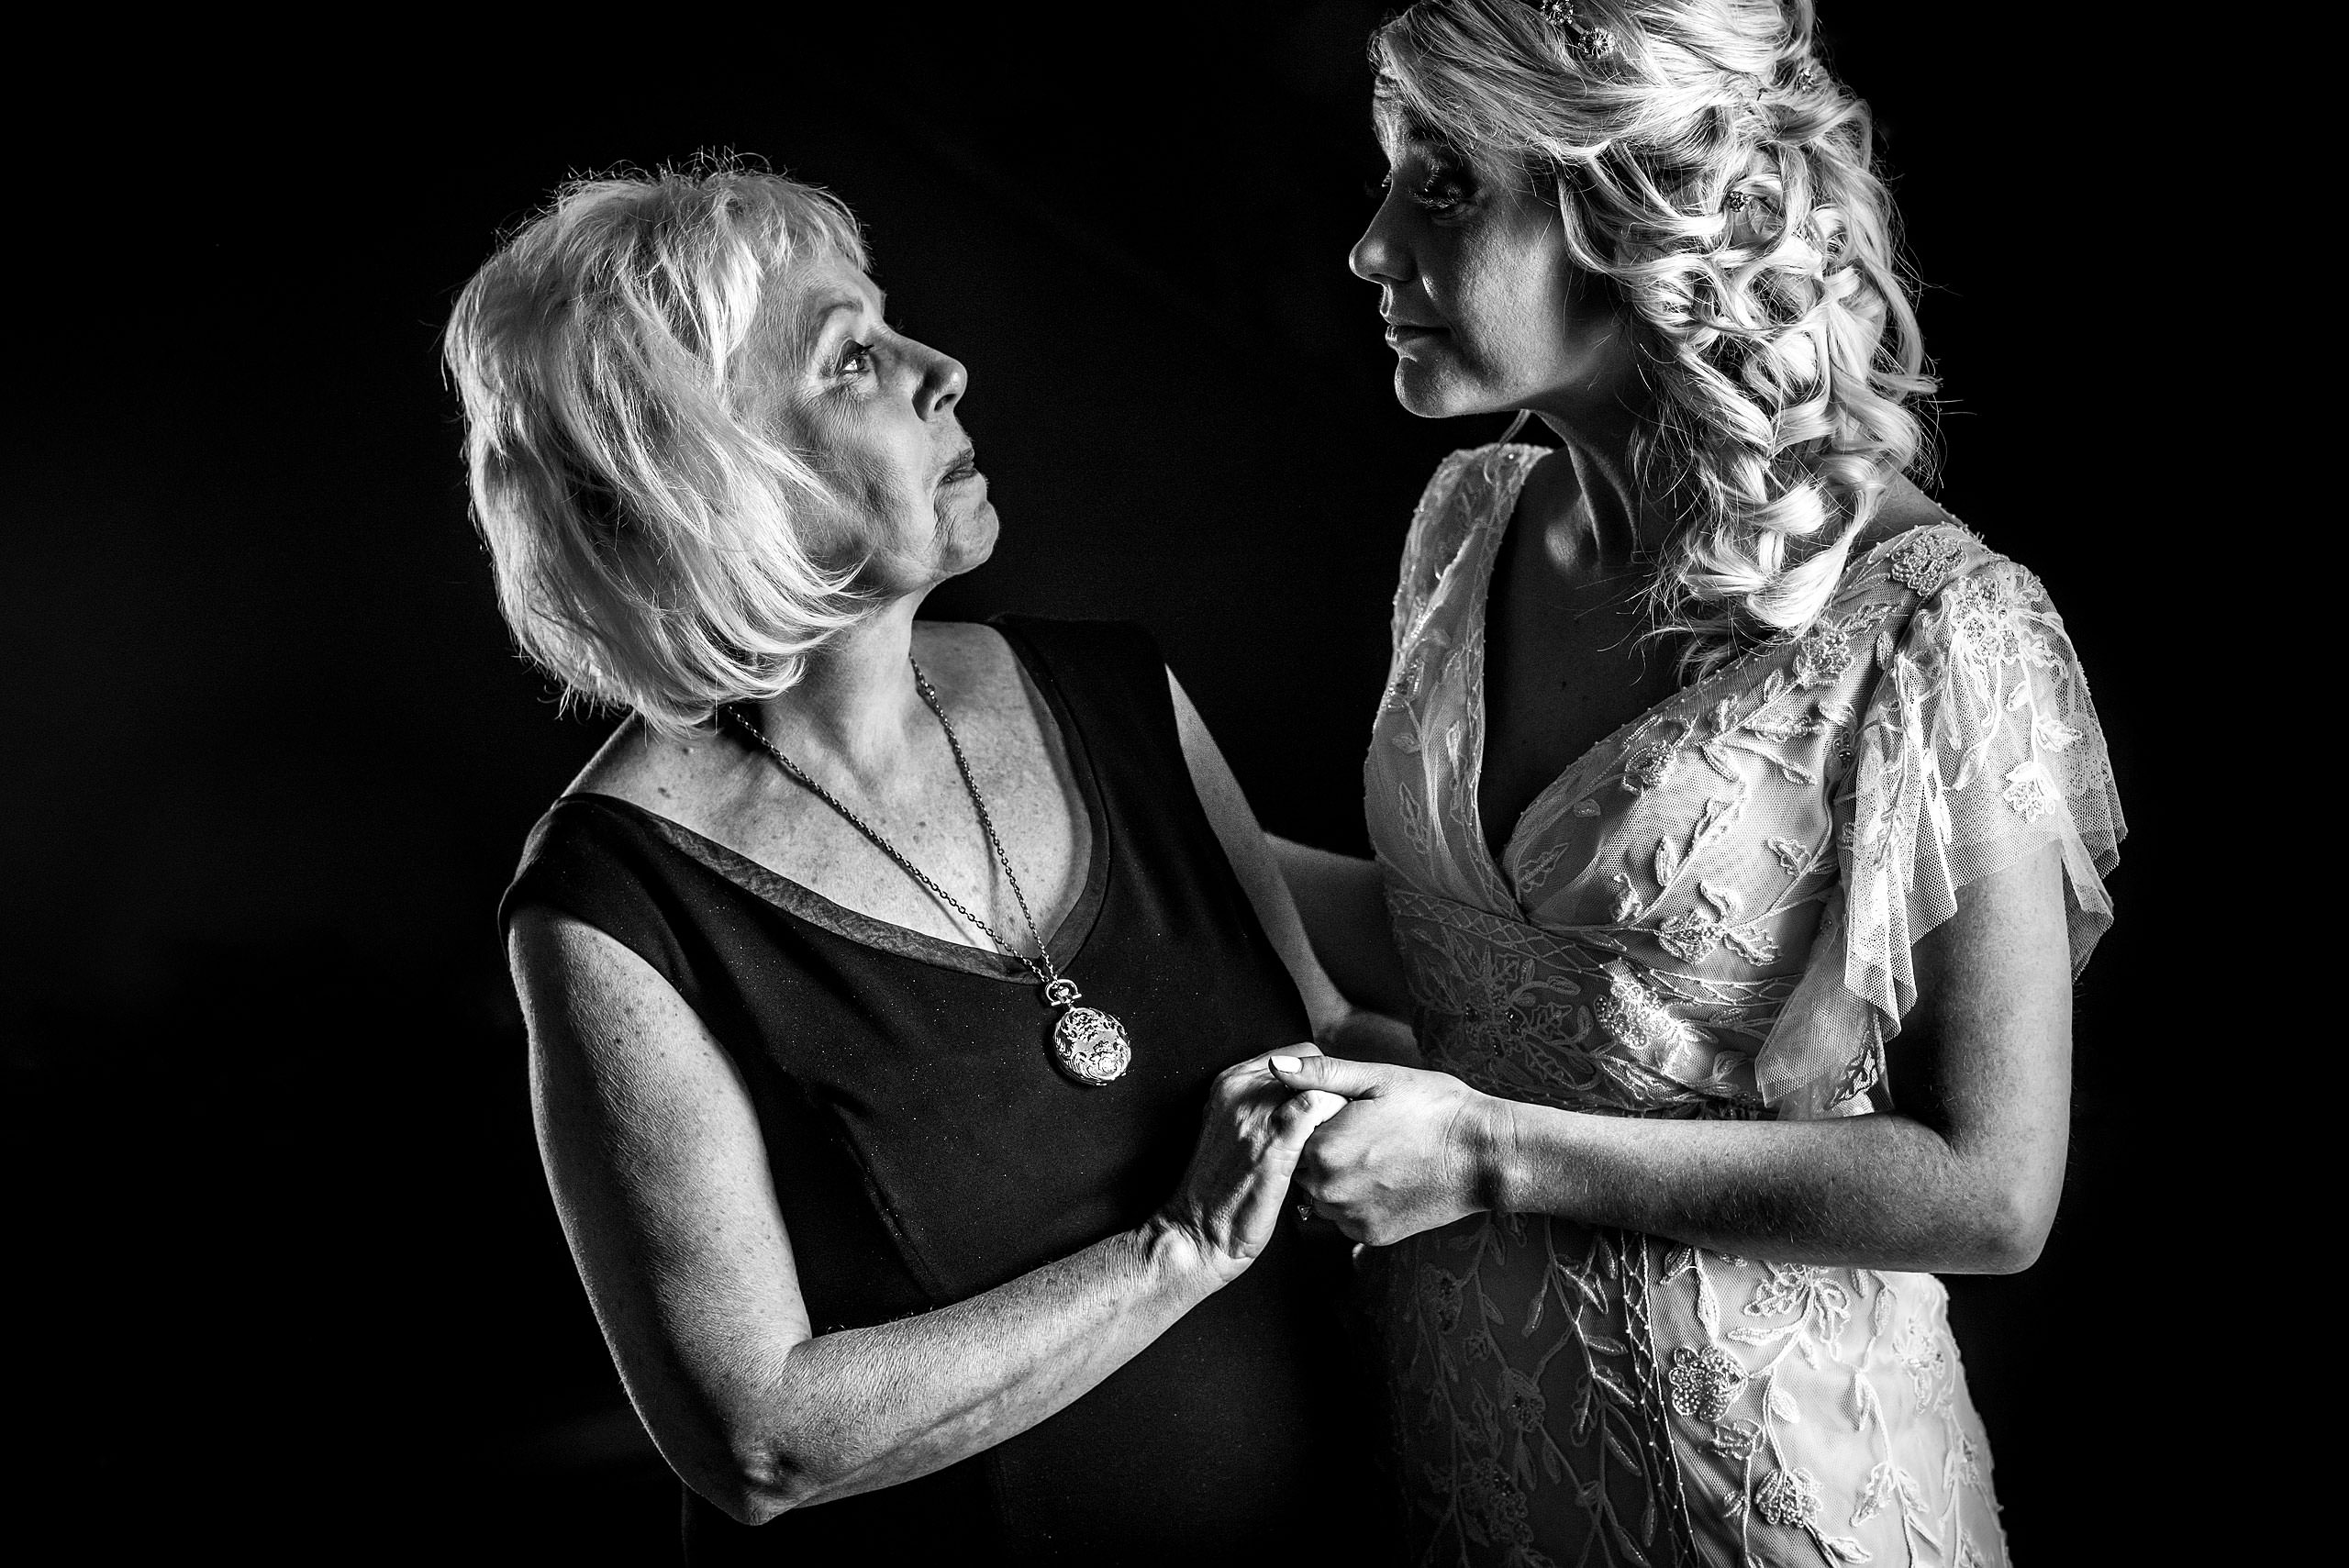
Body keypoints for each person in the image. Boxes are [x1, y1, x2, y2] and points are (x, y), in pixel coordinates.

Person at [1264, 4, 2125, 1564]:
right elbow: (1491, 968)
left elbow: (1994, 1188)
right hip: (1481, 1460)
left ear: (1633, 207)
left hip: (1772, 1495)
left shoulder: (1934, 627)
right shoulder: (1469, 523)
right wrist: (1110, 790)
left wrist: (1488, 1153)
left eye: (1445, 186)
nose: (1370, 249)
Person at [443, 163, 1398, 1564]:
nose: (942, 369)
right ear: (713, 480)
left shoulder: (1119, 694)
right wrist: (1174, 1249)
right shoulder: (611, 905)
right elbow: (756, 1436)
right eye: (852, 359)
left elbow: (1324, 1038)